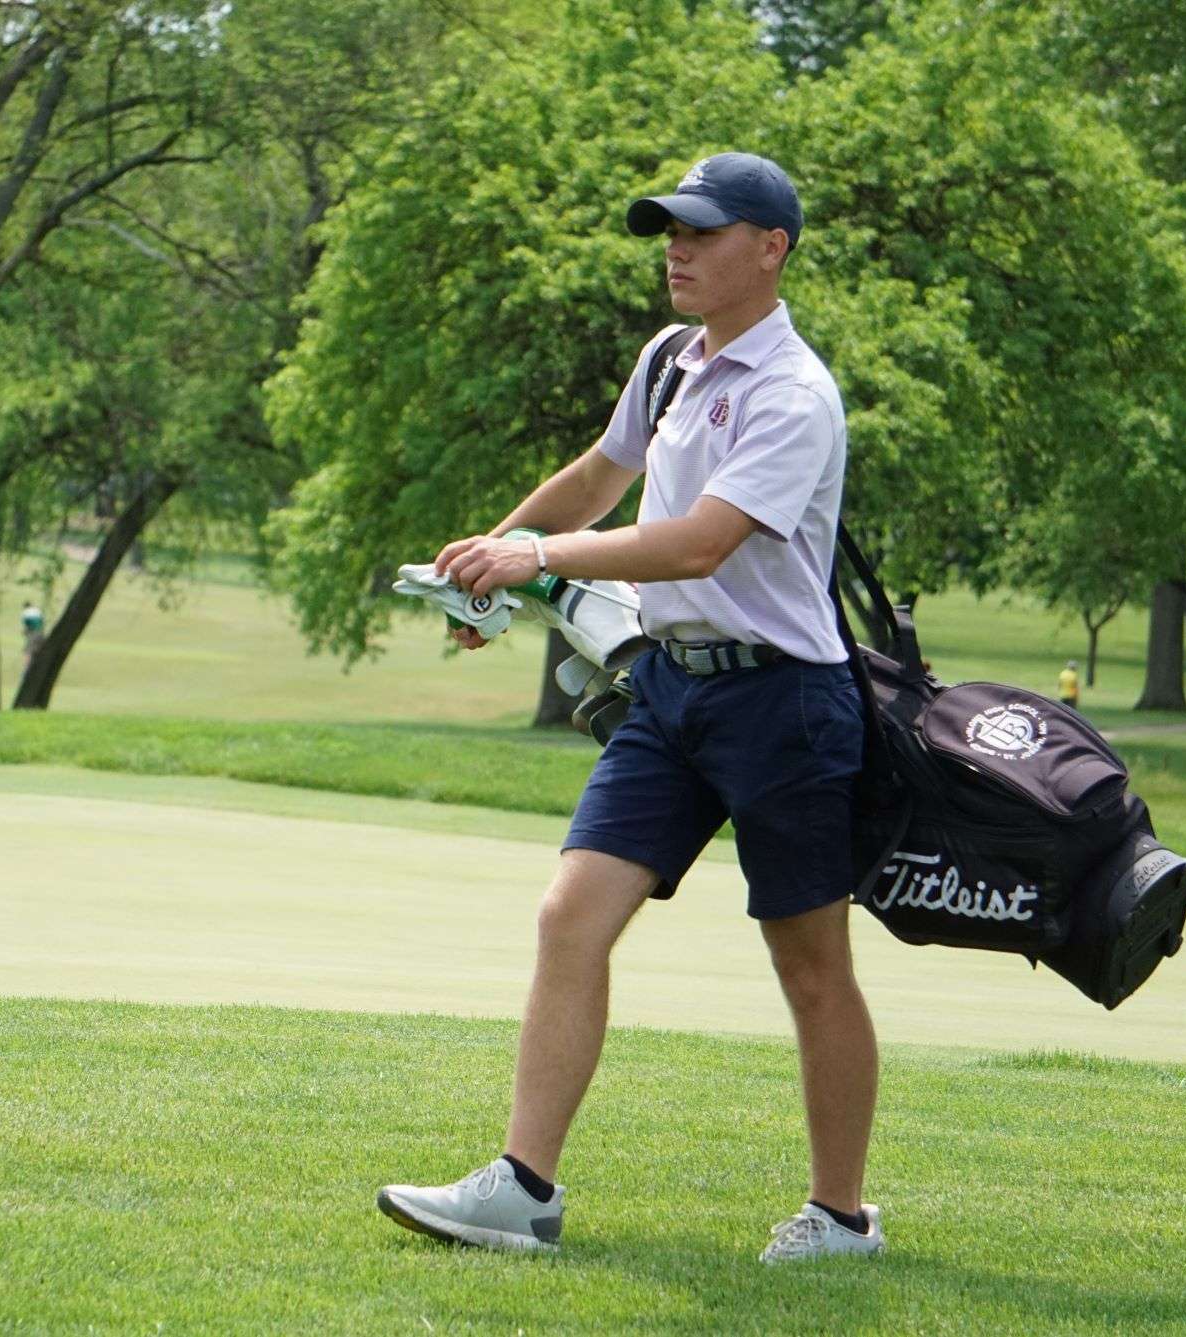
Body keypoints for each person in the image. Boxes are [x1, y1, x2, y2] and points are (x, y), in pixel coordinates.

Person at [376, 153, 882, 1264]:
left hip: (784, 702)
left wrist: (535, 556)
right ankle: (522, 1189)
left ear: (770, 248)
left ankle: (840, 1215)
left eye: (701, 233)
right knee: (569, 915)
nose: (676, 249)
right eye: (668, 231)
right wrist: (487, 564)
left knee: (807, 963)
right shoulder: (667, 361)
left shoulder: (793, 393)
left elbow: (699, 537)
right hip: (667, 688)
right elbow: (599, 476)